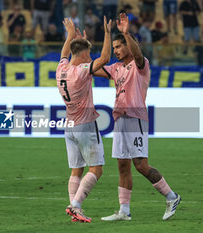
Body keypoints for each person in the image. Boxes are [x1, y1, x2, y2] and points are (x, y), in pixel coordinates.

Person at [92, 13, 181, 221]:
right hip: (120, 118)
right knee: (122, 165)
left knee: (140, 164)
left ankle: (172, 196)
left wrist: (125, 33)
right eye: (113, 47)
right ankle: (124, 210)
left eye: (118, 46)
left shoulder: (141, 65)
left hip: (135, 118)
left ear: (128, 46)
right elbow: (93, 69)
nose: (115, 51)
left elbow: (138, 56)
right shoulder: (115, 68)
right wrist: (105, 35)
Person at [56, 17, 112, 223]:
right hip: (85, 125)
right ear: (85, 54)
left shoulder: (61, 69)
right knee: (96, 169)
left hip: (68, 125)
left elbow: (64, 53)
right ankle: (76, 205)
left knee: (76, 169)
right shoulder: (81, 71)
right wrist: (107, 32)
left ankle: (75, 211)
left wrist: (71, 35)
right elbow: (105, 58)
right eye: (89, 53)